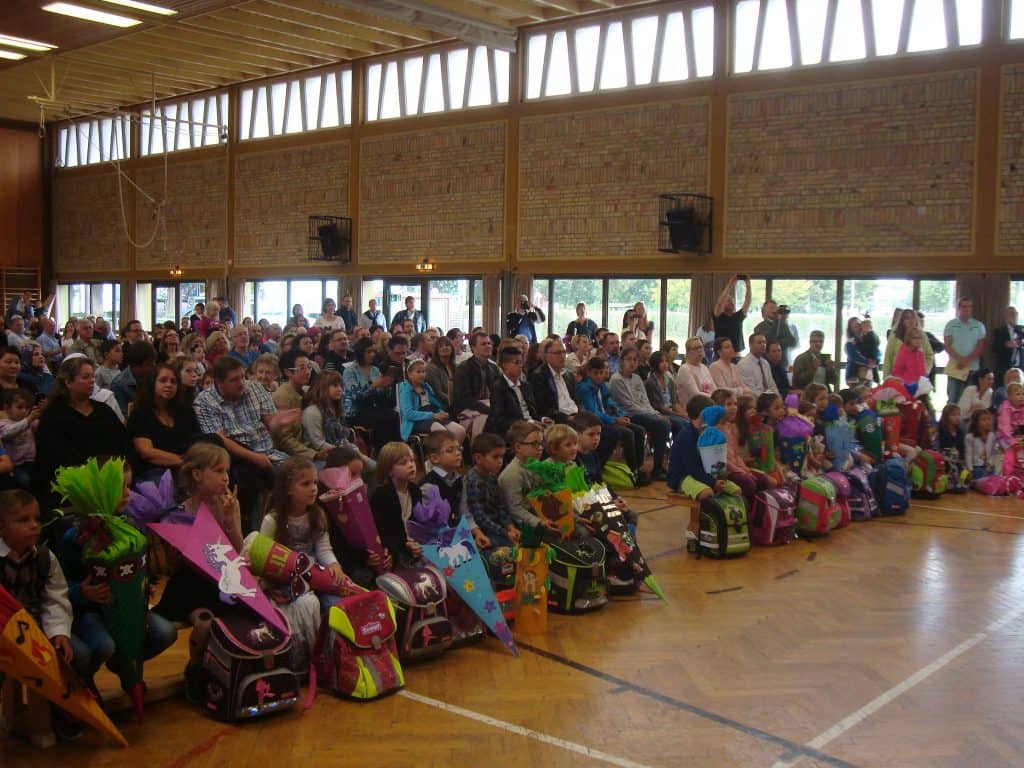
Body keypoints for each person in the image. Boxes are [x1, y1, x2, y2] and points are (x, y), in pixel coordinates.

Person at [254, 456, 346, 665]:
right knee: (308, 604)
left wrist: (334, 565)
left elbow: (324, 549)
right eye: (305, 484)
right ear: (288, 488)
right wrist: (268, 587)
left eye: (315, 482)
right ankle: (302, 659)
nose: (313, 488)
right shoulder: (273, 520)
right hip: (283, 582)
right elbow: (262, 558)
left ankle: (332, 658)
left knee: (336, 605)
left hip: (314, 576)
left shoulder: (317, 515)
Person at [0, 489, 76, 736]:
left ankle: (53, 719)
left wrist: (59, 633)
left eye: (36, 519)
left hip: (34, 630)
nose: (34, 526)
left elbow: (55, 598)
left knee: (66, 659)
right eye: (23, 520)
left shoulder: (45, 557)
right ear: (1, 527)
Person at [193, 356, 300, 529]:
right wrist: (255, 457)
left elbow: (270, 422)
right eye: (234, 380)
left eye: (243, 376)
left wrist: (278, 421)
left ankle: (293, 528)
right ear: (219, 383)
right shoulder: (204, 403)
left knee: (301, 475)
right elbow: (219, 441)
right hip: (236, 458)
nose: (242, 383)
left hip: (268, 451)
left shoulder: (255, 388)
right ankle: (255, 535)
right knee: (253, 484)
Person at [33, 358, 128, 510]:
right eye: (85, 377)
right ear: (68, 382)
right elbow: (52, 458)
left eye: (92, 377)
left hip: (110, 478)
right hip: (74, 485)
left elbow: (122, 442)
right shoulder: (54, 415)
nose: (91, 381)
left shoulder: (103, 411)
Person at [576, 357, 648, 483]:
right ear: (589, 372)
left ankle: (637, 468)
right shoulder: (585, 388)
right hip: (595, 422)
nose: (599, 376)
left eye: (601, 373)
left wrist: (622, 415)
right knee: (625, 433)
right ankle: (630, 472)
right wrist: (615, 420)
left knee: (639, 430)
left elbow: (611, 403)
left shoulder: (602, 386)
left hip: (607, 419)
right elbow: (594, 412)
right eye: (596, 373)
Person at [126, 363, 200, 481]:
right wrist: (184, 461)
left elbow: (197, 440)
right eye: (163, 380)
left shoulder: (186, 410)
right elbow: (147, 452)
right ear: (153, 384)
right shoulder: (141, 413)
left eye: (173, 381)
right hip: (154, 471)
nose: (169, 385)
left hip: (188, 467)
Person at [609, 347, 670, 479]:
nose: (632, 363)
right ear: (621, 361)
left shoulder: (637, 378)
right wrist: (653, 415)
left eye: (635, 360)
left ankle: (665, 465)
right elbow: (629, 406)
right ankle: (657, 469)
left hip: (643, 412)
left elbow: (645, 400)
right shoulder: (616, 379)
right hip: (628, 415)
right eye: (629, 359)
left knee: (671, 422)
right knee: (662, 424)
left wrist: (653, 412)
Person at [370, 442, 423, 570]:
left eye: (412, 461)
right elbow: (382, 532)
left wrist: (416, 543)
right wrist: (405, 543)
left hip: (412, 545)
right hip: (393, 549)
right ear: (389, 471)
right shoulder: (381, 495)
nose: (411, 465)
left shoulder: (415, 490)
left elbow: (418, 523)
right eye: (403, 463)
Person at [343, 338, 401, 453]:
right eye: (369, 351)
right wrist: (374, 386)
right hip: (357, 409)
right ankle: (382, 452)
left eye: (374, 351)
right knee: (383, 419)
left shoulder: (375, 370)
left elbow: (380, 394)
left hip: (374, 406)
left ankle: (394, 452)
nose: (372, 354)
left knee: (395, 415)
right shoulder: (350, 371)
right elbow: (353, 395)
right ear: (360, 352)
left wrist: (386, 387)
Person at [465, 432, 520, 550]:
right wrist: (505, 532)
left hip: (497, 526)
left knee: (521, 542)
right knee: (505, 549)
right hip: (484, 530)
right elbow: (480, 517)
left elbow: (500, 506)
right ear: (478, 458)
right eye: (495, 457)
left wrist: (510, 527)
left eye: (502, 456)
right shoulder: (474, 482)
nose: (500, 461)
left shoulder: (492, 476)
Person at [399, 359, 467, 444]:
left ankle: (453, 453)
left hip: (432, 416)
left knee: (460, 431)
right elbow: (408, 414)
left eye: (423, 371)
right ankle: (442, 455)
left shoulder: (426, 387)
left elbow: (435, 405)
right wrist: (432, 415)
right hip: (416, 421)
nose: (422, 374)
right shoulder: (406, 390)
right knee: (442, 433)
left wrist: (441, 413)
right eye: (418, 372)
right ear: (409, 374)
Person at [271, 349, 320, 461]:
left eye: (309, 366)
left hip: (308, 447)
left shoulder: (304, 391)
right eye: (302, 368)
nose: (307, 372)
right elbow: (284, 440)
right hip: (291, 456)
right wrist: (314, 455)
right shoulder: (282, 397)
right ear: (288, 372)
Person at [453, 331, 499, 442]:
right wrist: (488, 409)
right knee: (488, 418)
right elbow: (464, 399)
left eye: (489, 343)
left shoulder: (493, 368)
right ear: (473, 348)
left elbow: (498, 392)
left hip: (489, 404)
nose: (488, 346)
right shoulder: (463, 368)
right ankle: (477, 450)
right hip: (468, 408)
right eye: (483, 344)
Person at [485, 346, 540, 437]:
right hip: (513, 430)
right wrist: (528, 423)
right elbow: (500, 421)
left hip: (531, 424)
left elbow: (533, 411)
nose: (521, 366)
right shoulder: (498, 388)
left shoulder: (526, 386)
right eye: (517, 363)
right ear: (505, 365)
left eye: (522, 362)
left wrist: (542, 420)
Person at [421, 431, 470, 527]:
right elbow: (432, 522)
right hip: (437, 535)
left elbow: (464, 511)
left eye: (459, 448)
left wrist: (474, 530)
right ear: (435, 458)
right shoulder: (429, 486)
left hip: (457, 530)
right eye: (450, 450)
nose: (458, 453)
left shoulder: (460, 479)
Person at [944, 298, 987, 406]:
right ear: (959, 308)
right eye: (964, 306)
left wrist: (967, 360)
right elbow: (948, 345)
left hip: (972, 368)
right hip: (955, 367)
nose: (967, 309)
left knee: (970, 400)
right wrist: (960, 360)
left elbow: (980, 346)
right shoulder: (951, 324)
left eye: (969, 306)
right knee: (953, 398)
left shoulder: (979, 325)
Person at [529, 339, 578, 424]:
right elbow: (544, 408)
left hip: (575, 415)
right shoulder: (539, 376)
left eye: (564, 352)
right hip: (559, 419)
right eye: (558, 353)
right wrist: (567, 418)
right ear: (547, 356)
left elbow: (576, 400)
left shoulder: (568, 375)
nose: (562, 356)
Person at [0, 388, 39, 489]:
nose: (24, 411)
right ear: (7, 408)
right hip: (15, 465)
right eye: (20, 407)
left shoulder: (28, 421)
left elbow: (41, 427)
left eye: (27, 408)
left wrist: (40, 413)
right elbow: (9, 433)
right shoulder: (4, 424)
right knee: (25, 481)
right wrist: (28, 419)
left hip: (31, 461)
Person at [644, 350, 686, 435]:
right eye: (661, 361)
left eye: (666, 361)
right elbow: (659, 407)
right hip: (658, 413)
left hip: (671, 411)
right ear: (655, 364)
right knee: (679, 423)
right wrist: (679, 415)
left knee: (687, 422)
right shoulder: (650, 382)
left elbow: (675, 402)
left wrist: (684, 414)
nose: (665, 364)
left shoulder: (669, 380)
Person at [110, 341, 157, 415]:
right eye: (148, 364)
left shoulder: (153, 376)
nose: (153, 367)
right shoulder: (119, 385)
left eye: (154, 362)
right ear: (135, 365)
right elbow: (124, 415)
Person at [713, 275, 752, 354]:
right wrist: (730, 284)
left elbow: (748, 301)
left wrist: (748, 284)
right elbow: (719, 303)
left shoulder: (738, 316)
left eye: (732, 300)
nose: (731, 302)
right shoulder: (719, 316)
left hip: (737, 352)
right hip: (721, 352)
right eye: (727, 301)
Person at [674, 337, 716, 411]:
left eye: (701, 347)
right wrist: (716, 399)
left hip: (709, 403)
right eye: (696, 348)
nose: (699, 350)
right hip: (694, 408)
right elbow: (695, 394)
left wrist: (720, 397)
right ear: (688, 351)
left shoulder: (704, 367)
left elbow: (714, 389)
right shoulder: (685, 369)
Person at [754, 301, 799, 368]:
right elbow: (769, 341)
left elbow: (792, 342)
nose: (774, 310)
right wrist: (777, 321)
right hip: (768, 365)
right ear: (764, 312)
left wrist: (777, 342)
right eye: (771, 308)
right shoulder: (759, 327)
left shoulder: (783, 324)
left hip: (783, 364)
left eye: (775, 307)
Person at [992, 306, 1024, 385]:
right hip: (1004, 368)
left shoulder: (1021, 329)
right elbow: (994, 348)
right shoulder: (999, 331)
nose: (1013, 316)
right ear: (1005, 316)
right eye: (1011, 314)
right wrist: (1005, 345)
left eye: (1015, 313)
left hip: (1020, 367)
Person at [425, 335, 457, 411]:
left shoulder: (456, 367)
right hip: (441, 408)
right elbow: (437, 393)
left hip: (457, 405)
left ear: (452, 348)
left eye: (447, 345)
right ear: (436, 350)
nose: (444, 347)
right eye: (441, 346)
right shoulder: (431, 368)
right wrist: (455, 403)